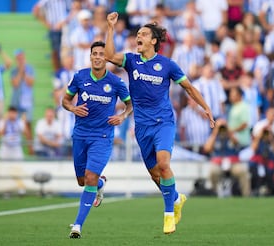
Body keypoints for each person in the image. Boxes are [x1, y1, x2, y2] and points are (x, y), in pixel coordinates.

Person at [105, 12, 215, 234]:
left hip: (164, 122)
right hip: (142, 127)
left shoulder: (167, 65)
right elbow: (108, 55)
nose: (139, 37)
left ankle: (168, 216)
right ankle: (175, 198)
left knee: (164, 164)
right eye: (138, 34)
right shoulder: (131, 60)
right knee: (156, 175)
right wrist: (110, 27)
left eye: (144, 34)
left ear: (154, 41)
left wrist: (206, 107)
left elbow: (189, 88)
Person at [62, 41, 133, 239]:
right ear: (91, 56)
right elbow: (65, 101)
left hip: (102, 136)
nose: (98, 56)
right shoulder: (79, 77)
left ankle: (77, 225)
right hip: (80, 135)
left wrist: (122, 117)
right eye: (95, 53)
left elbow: (130, 105)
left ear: (106, 58)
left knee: (89, 178)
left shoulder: (116, 82)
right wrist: (73, 108)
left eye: (102, 53)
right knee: (82, 181)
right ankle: (100, 185)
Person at [203, 119, 251, 197]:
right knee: (212, 171)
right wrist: (215, 131)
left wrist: (228, 131)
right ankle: (214, 194)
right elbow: (207, 148)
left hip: (233, 163)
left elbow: (237, 143)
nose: (222, 129)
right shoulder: (214, 136)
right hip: (218, 163)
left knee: (243, 171)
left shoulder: (231, 134)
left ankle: (246, 195)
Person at [10, 49, 35, 155]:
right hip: (16, 101)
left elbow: (30, 83)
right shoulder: (14, 71)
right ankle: (17, 147)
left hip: (27, 101)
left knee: (28, 124)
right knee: (16, 124)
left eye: (21, 57)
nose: (20, 60)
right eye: (18, 58)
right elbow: (15, 83)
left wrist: (24, 72)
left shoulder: (30, 69)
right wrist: (20, 71)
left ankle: (30, 148)